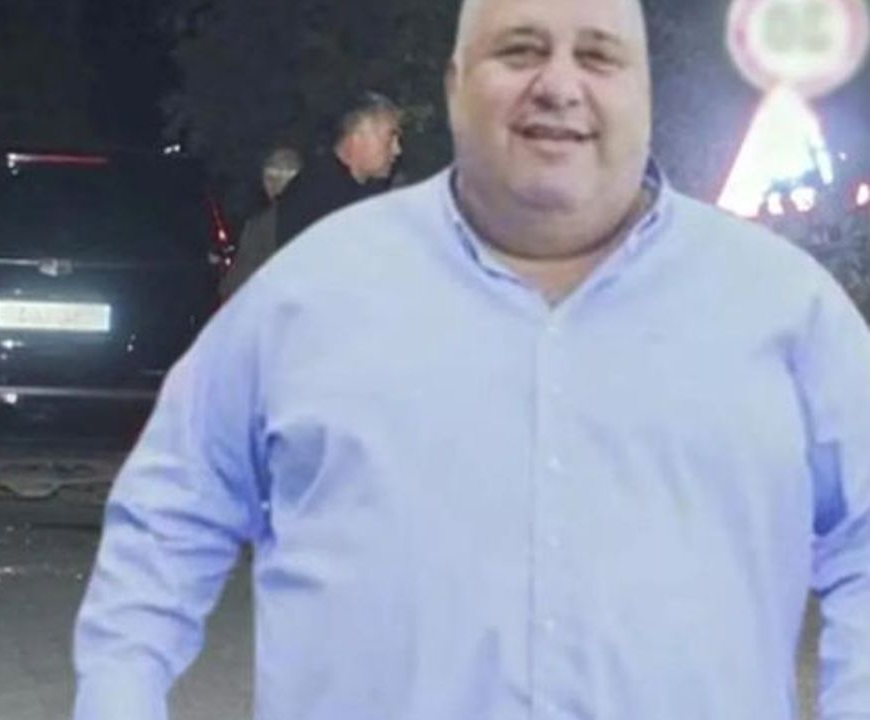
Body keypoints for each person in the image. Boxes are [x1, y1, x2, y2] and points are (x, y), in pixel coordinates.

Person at [74, 0, 870, 717]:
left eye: (600, 55)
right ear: (456, 87)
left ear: (645, 90)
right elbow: (169, 516)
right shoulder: (310, 296)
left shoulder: (780, 308)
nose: (559, 86)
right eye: (519, 51)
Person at [274, 91, 403, 245]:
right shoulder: (316, 196)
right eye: (390, 137)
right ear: (357, 136)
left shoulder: (368, 193)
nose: (397, 149)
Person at [220, 147, 304, 299]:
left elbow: (237, 285)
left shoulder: (260, 225)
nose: (273, 185)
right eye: (271, 178)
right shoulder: (322, 218)